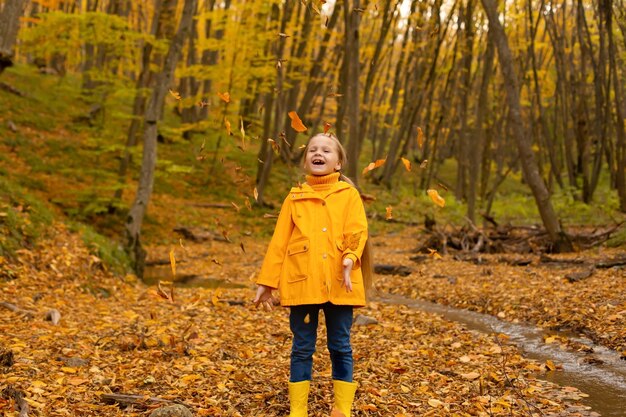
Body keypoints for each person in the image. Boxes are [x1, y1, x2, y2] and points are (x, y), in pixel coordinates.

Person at [254, 132, 372, 417]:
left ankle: (341, 408)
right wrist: (266, 282)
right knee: (302, 346)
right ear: (306, 161)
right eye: (312, 150)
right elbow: (279, 242)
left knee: (340, 346)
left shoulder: (348, 195)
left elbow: (357, 230)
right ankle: (298, 410)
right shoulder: (295, 197)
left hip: (339, 284)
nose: (318, 153)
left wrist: (350, 257)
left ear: (339, 163)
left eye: (326, 150)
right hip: (302, 282)